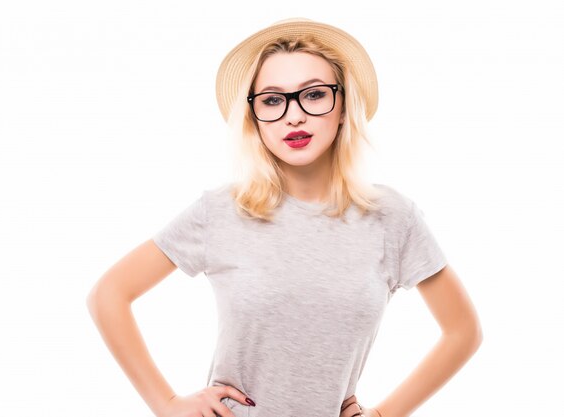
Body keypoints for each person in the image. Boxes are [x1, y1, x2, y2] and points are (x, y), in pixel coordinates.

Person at [86, 17, 483, 417]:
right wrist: (166, 403)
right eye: (273, 100)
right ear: (255, 119)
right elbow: (109, 295)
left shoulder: (392, 218)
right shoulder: (221, 211)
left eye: (313, 95)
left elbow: (462, 332)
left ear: (343, 106)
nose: (293, 116)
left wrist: (383, 414)